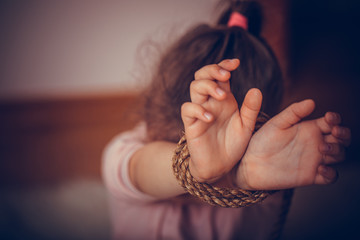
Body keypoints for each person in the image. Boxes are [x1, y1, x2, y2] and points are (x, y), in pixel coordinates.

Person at [102, 1, 351, 239]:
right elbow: (140, 171)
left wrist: (240, 176)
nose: (201, 151)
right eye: (183, 145)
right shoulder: (123, 152)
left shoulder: (264, 177)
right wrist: (196, 169)